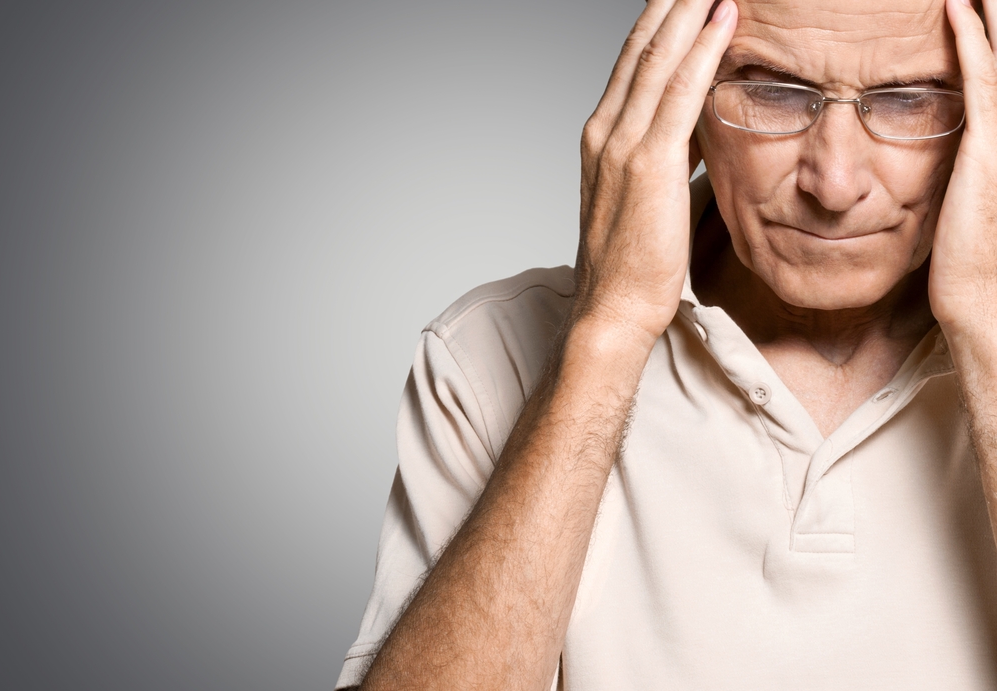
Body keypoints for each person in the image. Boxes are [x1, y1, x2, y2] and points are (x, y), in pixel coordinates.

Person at [337, 0, 997, 687]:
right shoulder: (485, 354)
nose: (834, 184)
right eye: (773, 90)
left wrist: (986, 330)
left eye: (907, 100)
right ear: (678, 88)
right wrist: (610, 325)